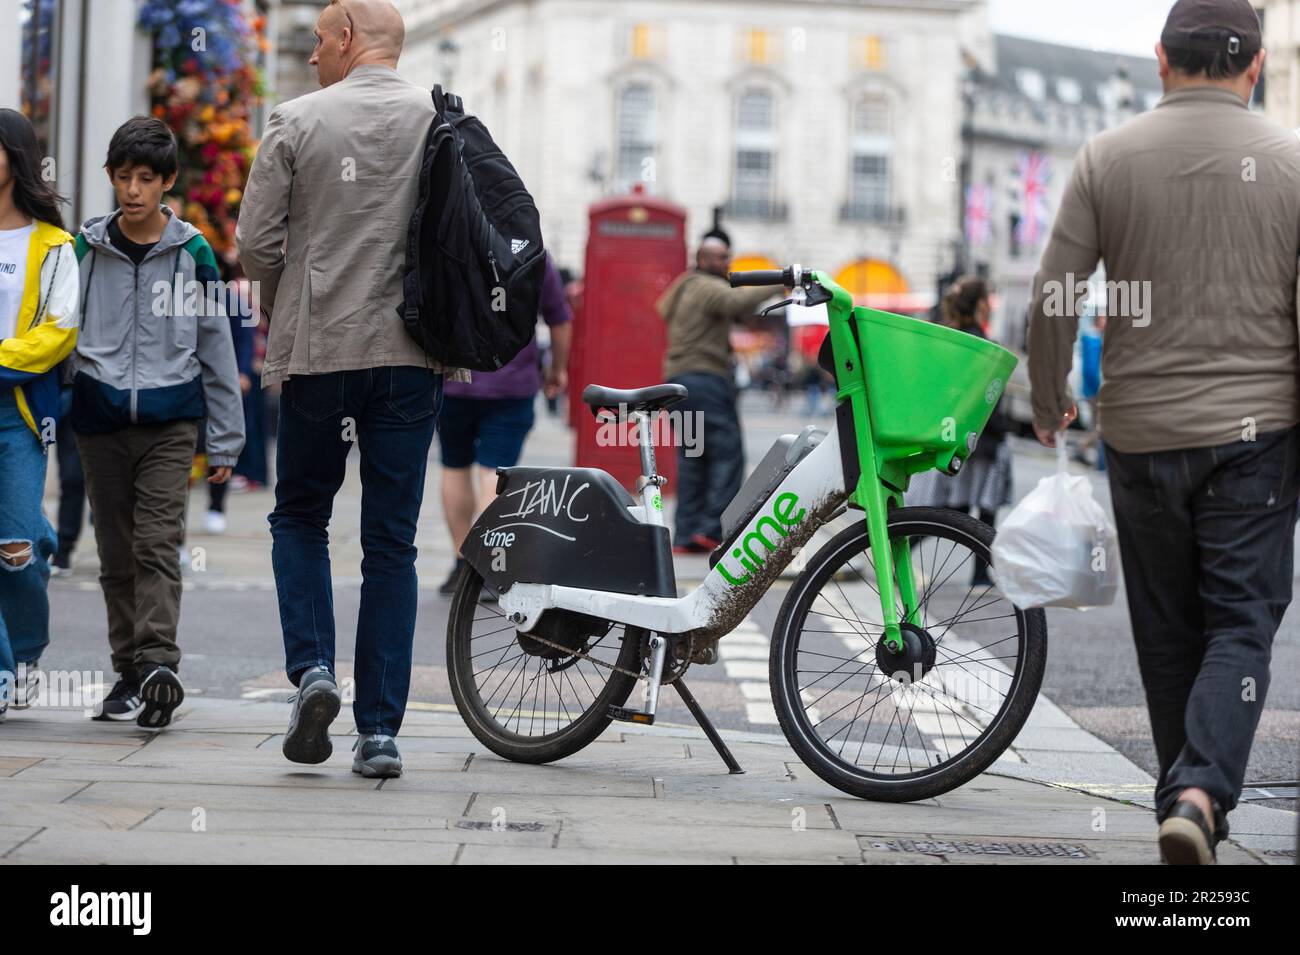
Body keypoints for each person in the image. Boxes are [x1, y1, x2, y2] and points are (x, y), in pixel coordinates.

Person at [1027, 0, 1300, 865]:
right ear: (1254, 65)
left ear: (1160, 61)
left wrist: (1047, 395)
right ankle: (1200, 792)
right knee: (1241, 621)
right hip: (1259, 435)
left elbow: (1054, 294)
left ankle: (1181, 804)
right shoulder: (1292, 163)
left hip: (1140, 432)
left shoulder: (1108, 157)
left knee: (1166, 627)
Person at [237, 0, 464, 778]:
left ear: (345, 39)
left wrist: (290, 298)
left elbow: (255, 243)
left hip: (320, 351)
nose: (308, 59)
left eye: (314, 43)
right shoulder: (442, 121)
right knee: (390, 543)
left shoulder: (297, 120)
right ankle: (380, 733)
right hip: (411, 356)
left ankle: (313, 671)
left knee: (299, 514)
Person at [71, 116, 244, 728]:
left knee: (157, 544)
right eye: (123, 177)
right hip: (99, 420)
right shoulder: (86, 250)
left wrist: (226, 436)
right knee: (115, 553)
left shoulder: (193, 252)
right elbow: (63, 334)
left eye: (146, 178)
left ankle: (157, 667)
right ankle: (126, 671)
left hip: (172, 423)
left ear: (168, 181)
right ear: (111, 178)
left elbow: (217, 344)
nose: (133, 189)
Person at [0, 108, 79, 720]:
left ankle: (26, 651)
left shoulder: (53, 244)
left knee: (16, 545)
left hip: (18, 413)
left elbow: (57, 333)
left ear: (16, 158)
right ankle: (4, 675)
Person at [437, 253, 570, 595]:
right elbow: (559, 318)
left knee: (454, 467)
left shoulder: (453, 238)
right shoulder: (533, 252)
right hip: (511, 384)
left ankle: (459, 563)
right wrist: (557, 369)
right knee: (492, 475)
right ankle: (481, 567)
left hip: (453, 379)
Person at [655, 229, 772, 553]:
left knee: (694, 458)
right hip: (706, 381)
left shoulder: (685, 287)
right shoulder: (707, 286)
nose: (727, 262)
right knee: (726, 453)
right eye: (722, 257)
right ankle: (710, 529)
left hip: (680, 384)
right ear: (703, 259)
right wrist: (781, 282)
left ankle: (685, 534)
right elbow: (737, 301)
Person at [906, 276, 1011, 586]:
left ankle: (907, 545)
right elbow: (988, 400)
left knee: (957, 506)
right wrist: (1009, 428)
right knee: (982, 508)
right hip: (985, 440)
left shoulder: (951, 344)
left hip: (956, 438)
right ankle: (982, 572)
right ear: (980, 305)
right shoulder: (985, 347)